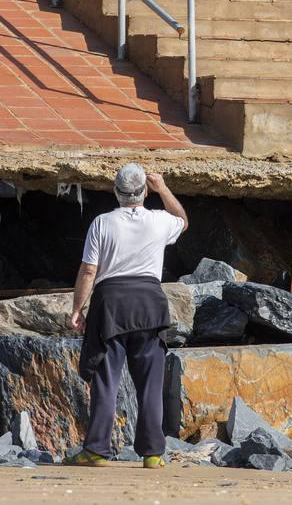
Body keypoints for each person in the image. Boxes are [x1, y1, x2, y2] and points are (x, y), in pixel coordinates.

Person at [65, 163, 188, 468]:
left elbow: (89, 270)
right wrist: (163, 188)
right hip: (150, 303)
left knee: (106, 382)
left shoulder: (102, 223)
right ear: (144, 191)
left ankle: (96, 449)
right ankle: (153, 453)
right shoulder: (160, 221)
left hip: (111, 306)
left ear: (116, 191)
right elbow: (183, 221)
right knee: (149, 383)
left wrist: (77, 309)